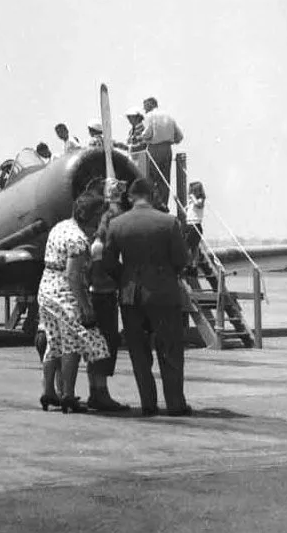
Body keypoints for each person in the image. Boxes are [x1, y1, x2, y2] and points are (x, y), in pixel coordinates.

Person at [104, 177, 191, 416]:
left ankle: (148, 404)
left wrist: (126, 277)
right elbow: (182, 260)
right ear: (151, 195)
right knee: (170, 350)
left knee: (139, 353)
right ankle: (175, 404)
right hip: (163, 294)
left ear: (130, 197)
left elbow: (108, 262)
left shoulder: (117, 224)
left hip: (131, 295)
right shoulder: (169, 222)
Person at [37, 193, 111, 413]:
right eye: (98, 215)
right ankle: (68, 395)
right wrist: (86, 307)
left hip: (46, 291)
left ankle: (48, 391)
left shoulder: (59, 227)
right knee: (72, 345)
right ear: (89, 215)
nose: (99, 220)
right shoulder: (78, 240)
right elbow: (73, 276)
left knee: (53, 342)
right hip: (64, 294)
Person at [86, 179, 130, 412]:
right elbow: (114, 269)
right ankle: (101, 393)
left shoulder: (95, 242)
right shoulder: (105, 246)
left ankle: (96, 391)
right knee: (106, 342)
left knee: (96, 345)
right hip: (104, 297)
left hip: (95, 295)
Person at [140, 97, 184, 211]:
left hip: (154, 148)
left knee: (152, 178)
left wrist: (142, 138)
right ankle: (163, 204)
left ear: (150, 105)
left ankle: (154, 204)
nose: (144, 109)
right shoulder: (169, 116)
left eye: (145, 106)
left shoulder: (149, 116)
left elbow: (147, 133)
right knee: (165, 179)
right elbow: (179, 136)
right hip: (167, 149)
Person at [125, 108, 148, 177]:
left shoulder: (142, 129)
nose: (129, 119)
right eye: (128, 117)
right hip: (133, 158)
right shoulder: (131, 130)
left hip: (140, 159)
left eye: (130, 117)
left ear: (137, 118)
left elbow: (143, 145)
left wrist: (130, 148)